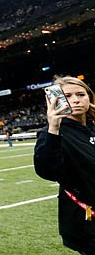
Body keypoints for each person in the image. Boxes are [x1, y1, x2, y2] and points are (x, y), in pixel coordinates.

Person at [34, 75, 95, 254]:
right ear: (56, 99)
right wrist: (53, 128)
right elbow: (47, 171)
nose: (75, 100)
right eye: (67, 96)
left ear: (89, 97)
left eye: (80, 94)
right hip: (86, 223)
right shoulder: (51, 133)